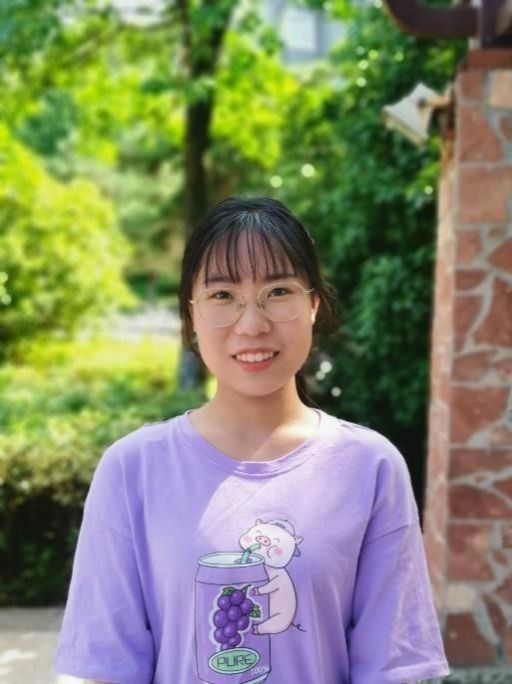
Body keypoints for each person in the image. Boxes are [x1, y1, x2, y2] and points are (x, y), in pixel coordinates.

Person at [54, 196, 450, 684]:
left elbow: (390, 669)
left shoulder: (370, 468)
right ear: (191, 315)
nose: (252, 324)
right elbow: (109, 668)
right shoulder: (132, 470)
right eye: (223, 295)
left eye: (278, 291)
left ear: (313, 305)